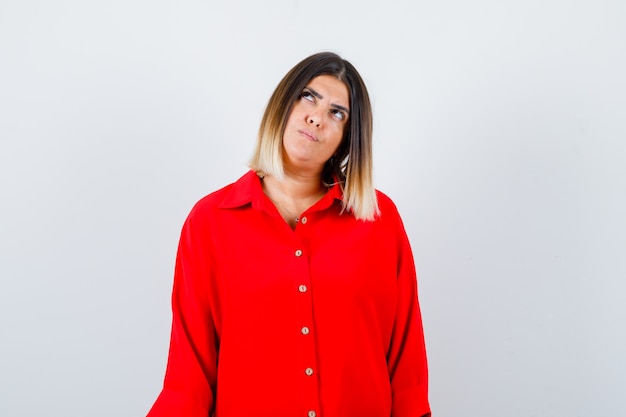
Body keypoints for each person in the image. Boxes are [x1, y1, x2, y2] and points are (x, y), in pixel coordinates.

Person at [147, 52, 431, 417]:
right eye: (308, 97)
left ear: (347, 138)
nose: (317, 117)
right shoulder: (209, 222)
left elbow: (406, 357)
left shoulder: (379, 219)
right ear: (283, 104)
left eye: (337, 113)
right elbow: (190, 367)